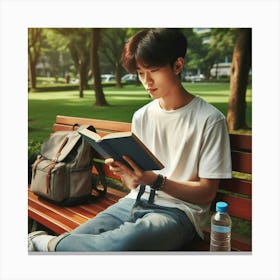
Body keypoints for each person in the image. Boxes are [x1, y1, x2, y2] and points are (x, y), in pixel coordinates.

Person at [28, 28, 232, 252]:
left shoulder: (210, 120)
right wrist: (127, 174)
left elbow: (207, 192)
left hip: (179, 213)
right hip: (133, 201)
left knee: (114, 248)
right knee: (78, 239)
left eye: (153, 70)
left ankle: (39, 244)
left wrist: (156, 181)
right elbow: (134, 185)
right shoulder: (142, 116)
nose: (147, 81)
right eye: (140, 73)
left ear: (178, 65)